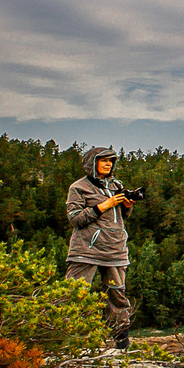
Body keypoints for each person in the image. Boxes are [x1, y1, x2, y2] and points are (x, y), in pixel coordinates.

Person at [65, 147, 136, 348]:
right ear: (91, 163)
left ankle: (121, 342)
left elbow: (120, 217)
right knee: (74, 294)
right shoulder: (79, 187)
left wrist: (127, 205)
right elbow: (76, 218)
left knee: (117, 295)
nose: (108, 164)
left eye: (111, 161)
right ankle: (69, 340)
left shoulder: (116, 185)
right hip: (86, 251)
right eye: (103, 160)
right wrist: (105, 204)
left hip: (115, 250)